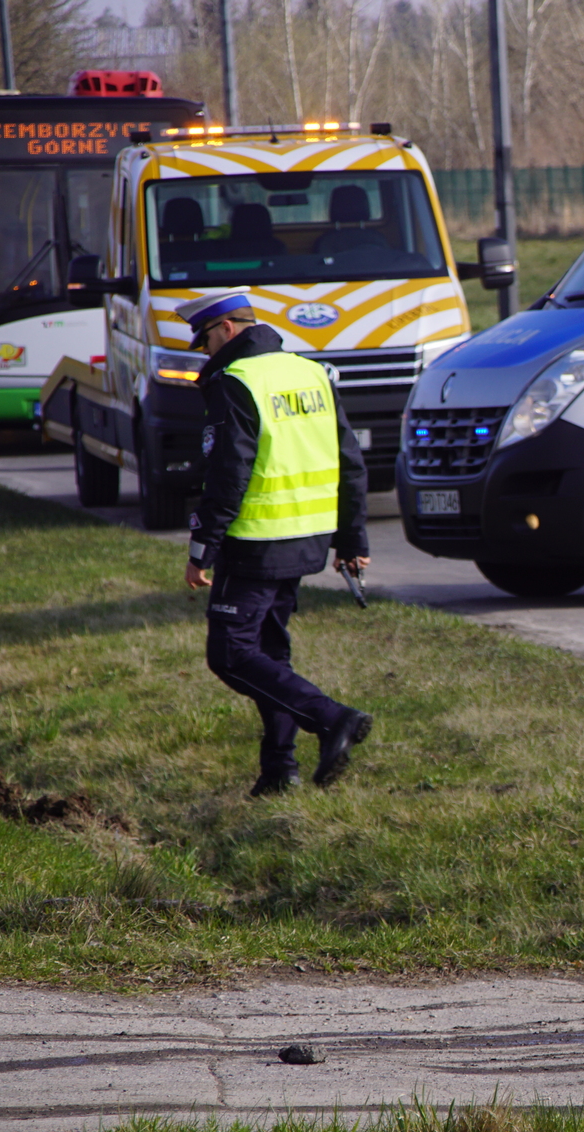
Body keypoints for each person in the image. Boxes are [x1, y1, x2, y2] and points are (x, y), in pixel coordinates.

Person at [177, 288, 375, 796]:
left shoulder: (237, 380)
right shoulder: (309, 372)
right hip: (305, 538)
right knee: (269, 655)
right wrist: (350, 539)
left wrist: (204, 548)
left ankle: (332, 719)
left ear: (225, 329)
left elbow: (228, 474)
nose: (204, 353)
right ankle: (278, 772)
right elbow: (349, 460)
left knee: (231, 654)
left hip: (255, 541)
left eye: (204, 341)